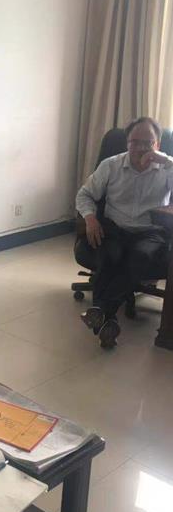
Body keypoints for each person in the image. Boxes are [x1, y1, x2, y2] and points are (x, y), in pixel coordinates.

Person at [76, 116, 172, 348]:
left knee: (141, 256)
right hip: (115, 228)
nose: (140, 148)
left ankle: (102, 311)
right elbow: (85, 194)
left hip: (150, 231)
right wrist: (90, 218)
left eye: (147, 143)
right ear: (127, 143)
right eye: (134, 142)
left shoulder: (167, 168)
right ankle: (108, 320)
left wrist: (168, 161)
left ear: (157, 144)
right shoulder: (111, 165)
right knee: (110, 255)